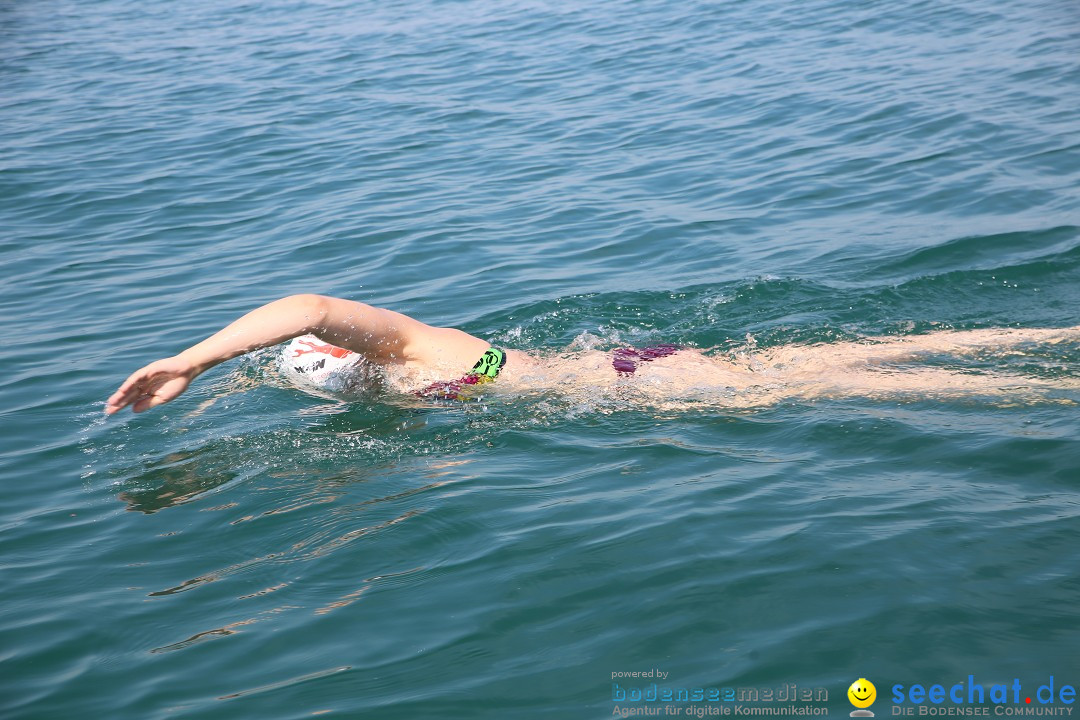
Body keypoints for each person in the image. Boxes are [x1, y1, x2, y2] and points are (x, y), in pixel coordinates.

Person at [105, 294, 1079, 415]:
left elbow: (308, 302)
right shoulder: (414, 377)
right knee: (857, 356)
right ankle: (1048, 340)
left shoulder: (410, 349)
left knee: (838, 375)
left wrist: (192, 359)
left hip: (642, 381)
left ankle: (1056, 367)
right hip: (629, 364)